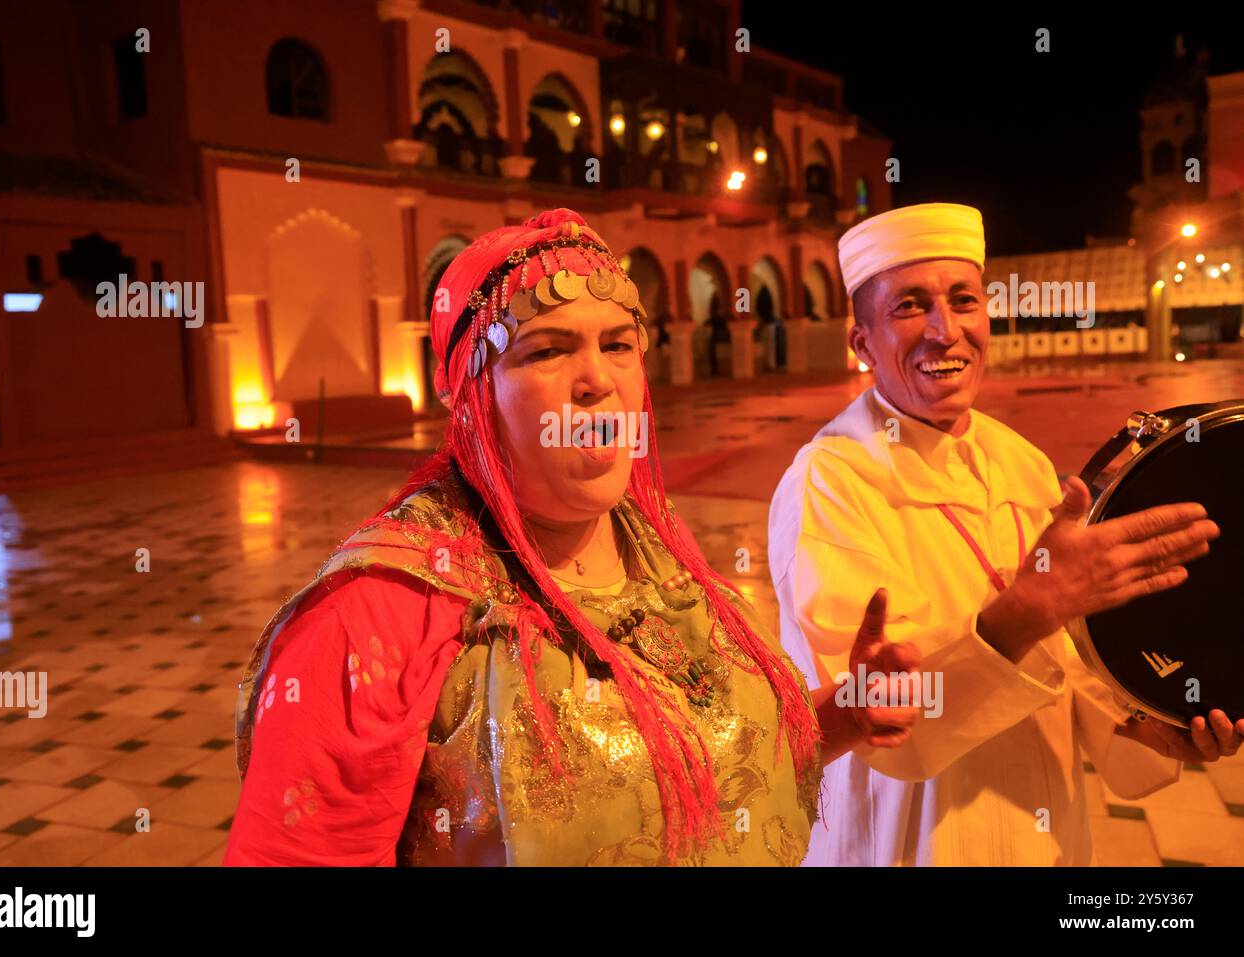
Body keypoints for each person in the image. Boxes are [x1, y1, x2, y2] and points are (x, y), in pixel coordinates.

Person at [224, 207, 919, 866]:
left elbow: (702, 777)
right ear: (472, 391)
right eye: (546, 351)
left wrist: (843, 717)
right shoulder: (380, 611)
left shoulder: (656, 548)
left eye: (618, 345)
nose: (598, 380)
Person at [768, 202, 1244, 867]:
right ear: (863, 343)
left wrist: (1151, 729)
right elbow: (881, 725)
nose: (946, 329)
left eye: (965, 300)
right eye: (910, 306)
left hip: (1044, 840)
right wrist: (1029, 609)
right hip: (905, 845)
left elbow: (1068, 671)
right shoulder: (829, 482)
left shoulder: (1020, 463)